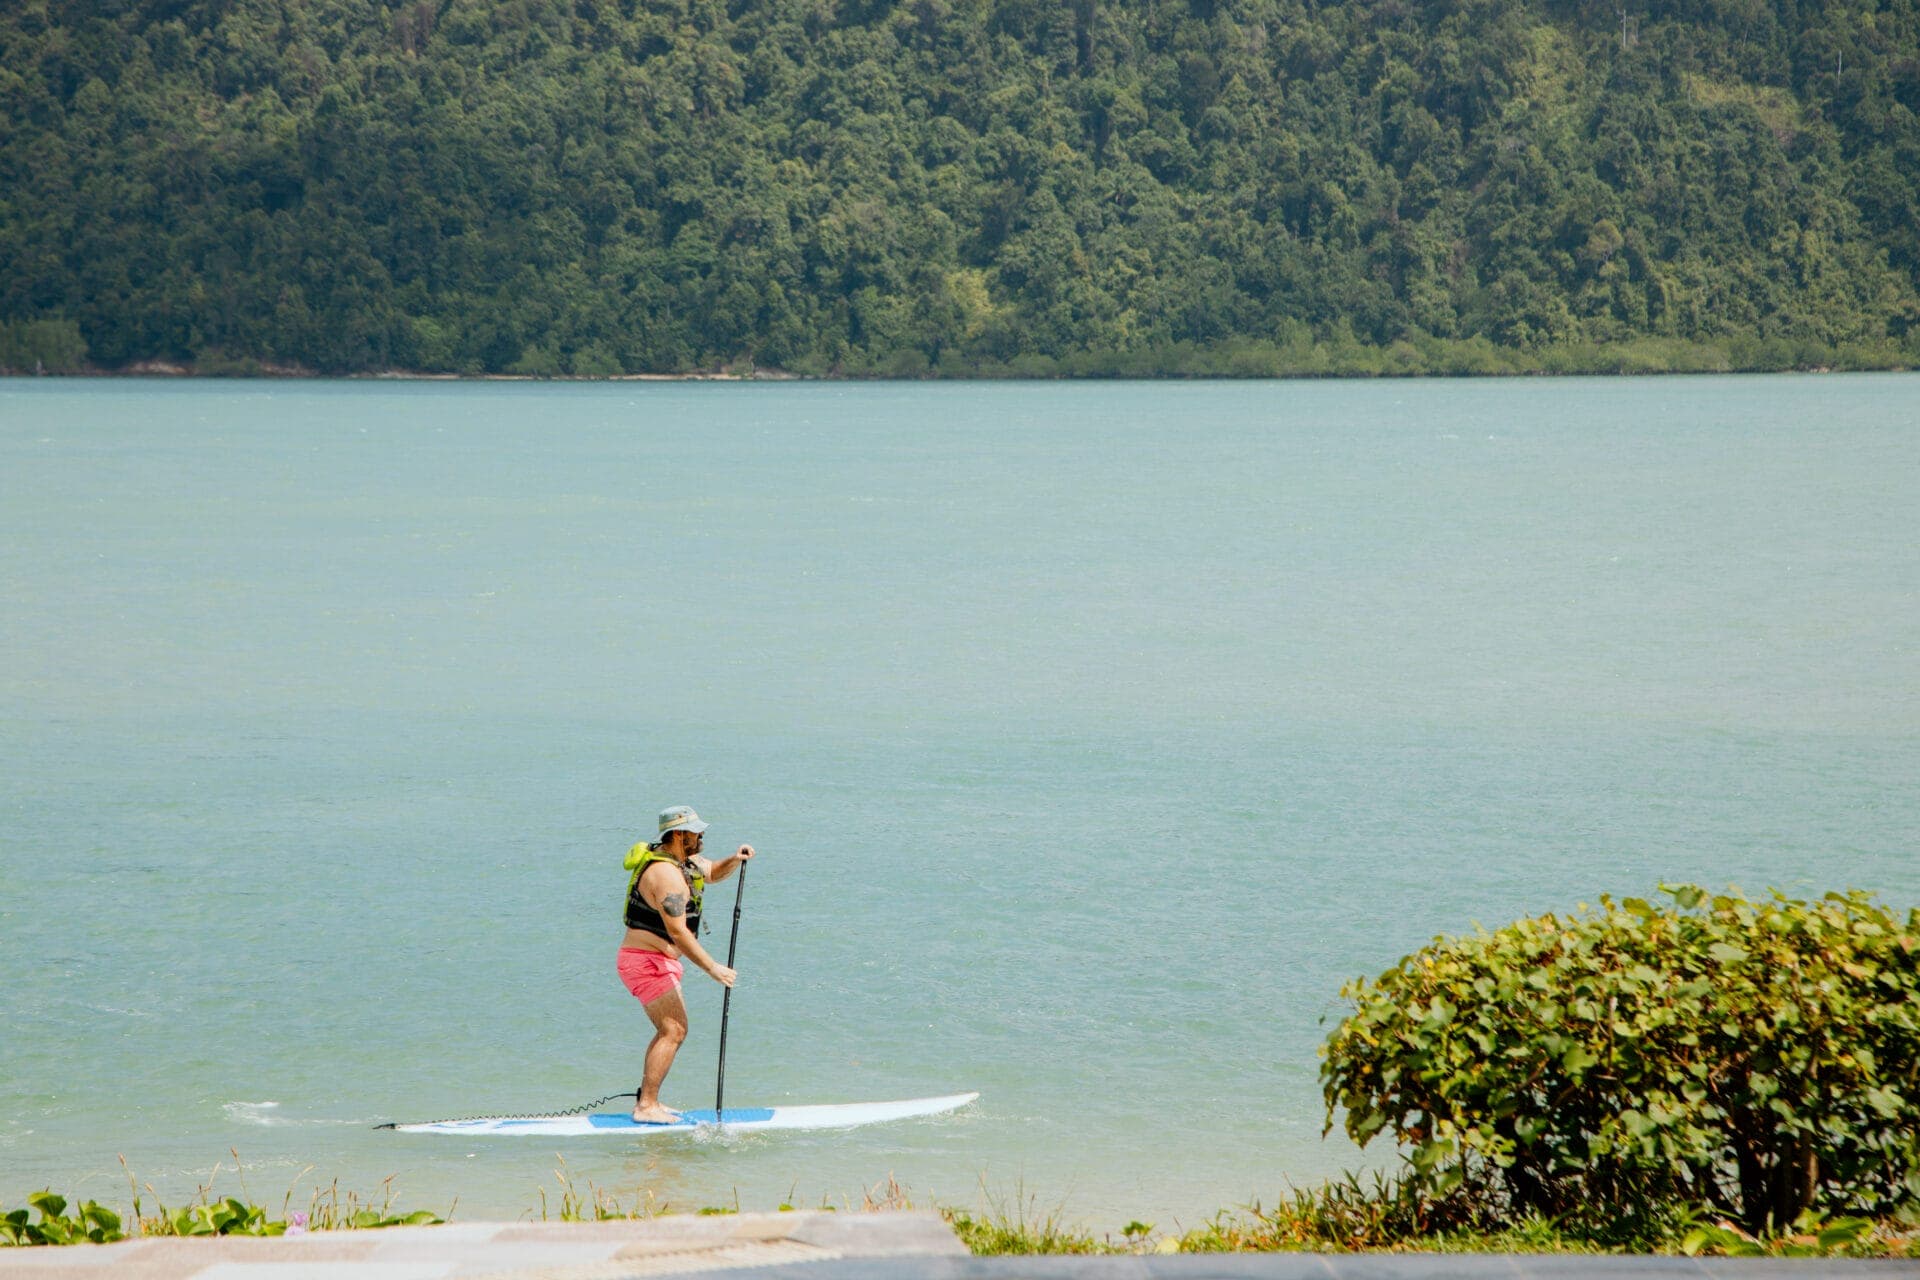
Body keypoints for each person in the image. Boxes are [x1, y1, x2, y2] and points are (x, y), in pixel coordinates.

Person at [617, 805, 755, 1123]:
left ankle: (649, 1101)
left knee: (673, 1030)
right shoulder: (665, 875)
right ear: (679, 835)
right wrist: (713, 968)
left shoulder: (685, 861)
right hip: (645, 962)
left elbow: (713, 872)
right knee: (673, 1030)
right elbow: (678, 932)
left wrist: (735, 859)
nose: (701, 836)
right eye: (696, 832)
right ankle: (646, 1106)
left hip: (657, 962)